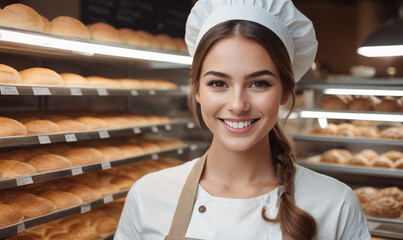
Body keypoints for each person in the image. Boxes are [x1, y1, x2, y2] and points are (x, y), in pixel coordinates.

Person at [115, 0, 371, 239]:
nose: (237, 105)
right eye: (218, 83)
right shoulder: (149, 196)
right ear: (197, 90)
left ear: (285, 91)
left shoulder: (335, 204)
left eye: (259, 83)